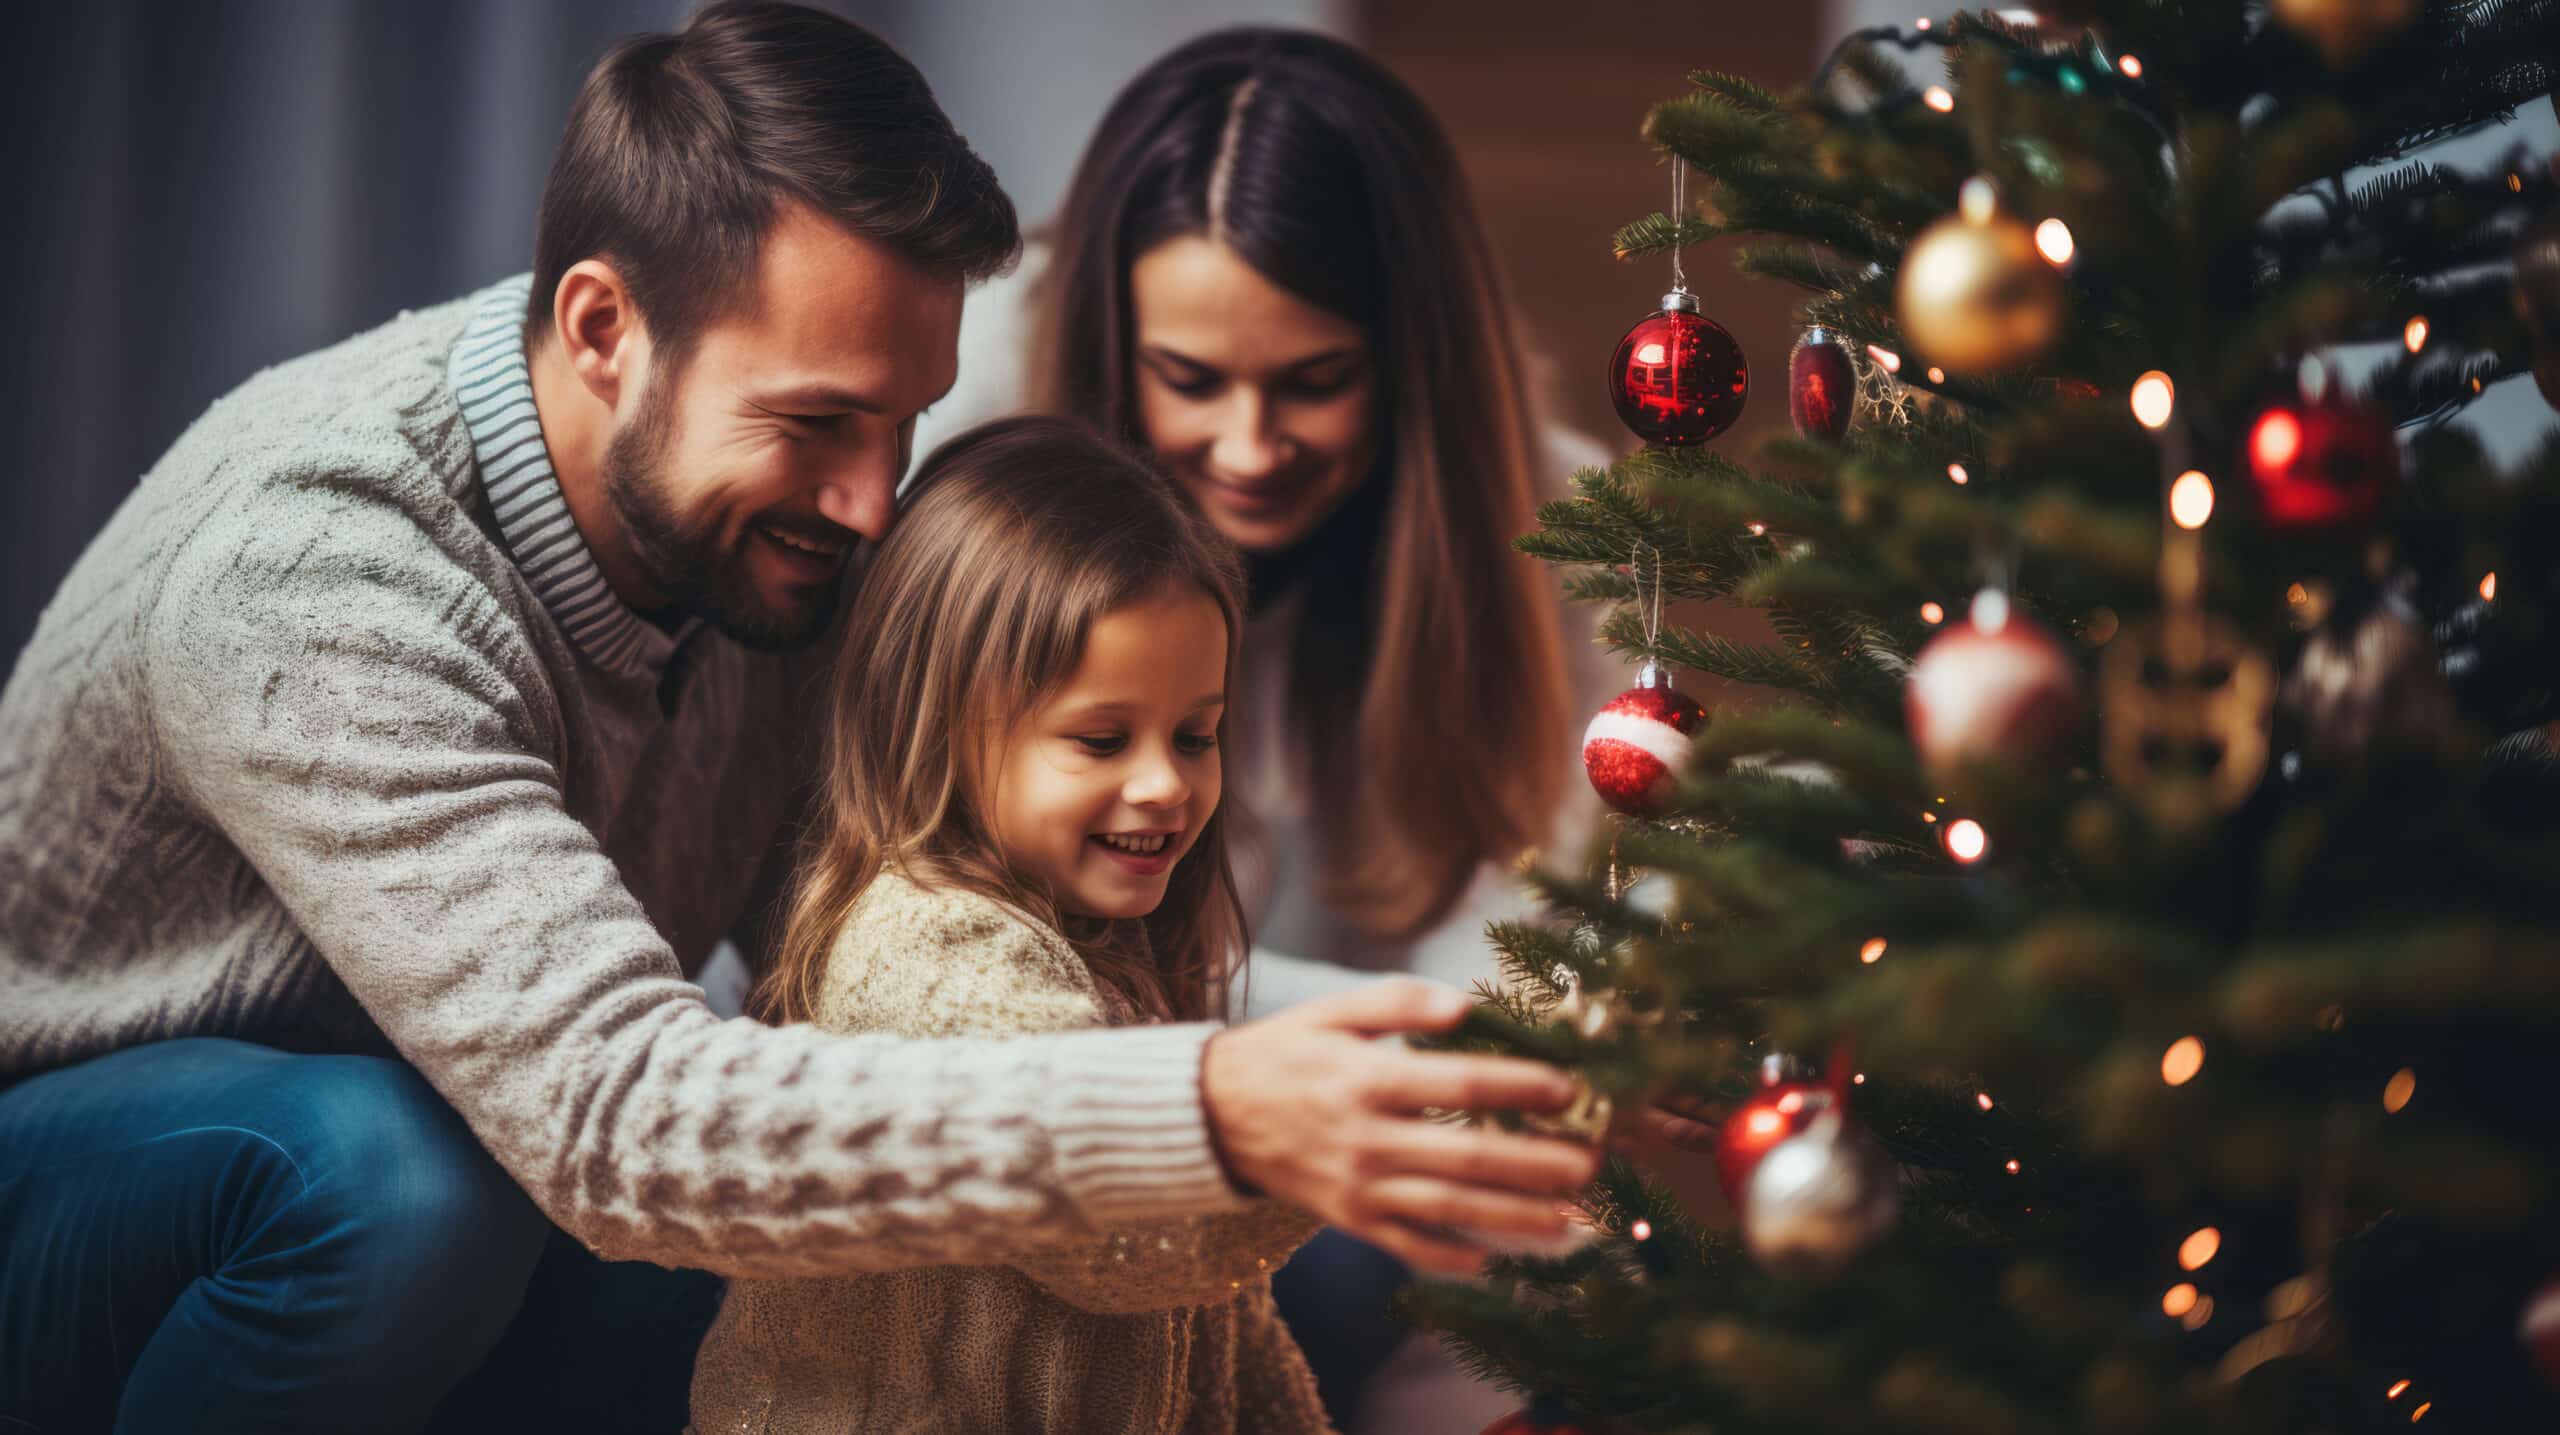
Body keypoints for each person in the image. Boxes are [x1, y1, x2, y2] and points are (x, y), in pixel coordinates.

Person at [0, 8, 1601, 1432]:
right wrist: (1203, 1104)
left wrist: (1469, 1052)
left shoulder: (763, 538)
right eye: (818, 423)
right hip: (101, 1180)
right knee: (378, 1181)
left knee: (1230, 1286)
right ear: (603, 328)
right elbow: (621, 1114)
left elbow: (960, 925)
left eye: (903, 424)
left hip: (513, 1147)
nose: (869, 500)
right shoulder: (317, 578)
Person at [909, 28, 1622, 1428]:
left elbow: (1528, 991)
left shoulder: (1554, 530)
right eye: (1190, 379)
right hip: (1041, 1124)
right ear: (1111, 343)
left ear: (1411, 359)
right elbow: (932, 942)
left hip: (1379, 1170)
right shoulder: (967, 429)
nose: (1247, 446)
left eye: (1313, 381)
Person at [691, 415, 1342, 1434]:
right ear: (943, 727)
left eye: (1197, 734)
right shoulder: (926, 954)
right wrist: (1346, 1126)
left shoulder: (1112, 949)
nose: (1166, 782)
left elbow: (1225, 1336)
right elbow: (1134, 1233)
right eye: (1100, 738)